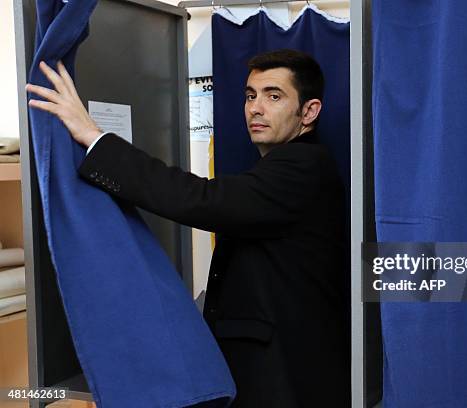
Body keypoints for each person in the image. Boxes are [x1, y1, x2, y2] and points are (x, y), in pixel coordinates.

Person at [26, 49, 350, 407]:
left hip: (286, 379)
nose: (255, 108)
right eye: (250, 95)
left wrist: (93, 136)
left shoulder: (303, 166)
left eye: (274, 96)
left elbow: (199, 199)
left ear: (309, 111)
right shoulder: (284, 167)